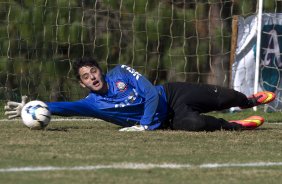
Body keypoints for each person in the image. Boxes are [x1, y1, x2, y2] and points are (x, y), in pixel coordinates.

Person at [4, 57, 276, 131]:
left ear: (101, 71)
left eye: (94, 72)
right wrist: (33, 108)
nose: (92, 78)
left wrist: (146, 125)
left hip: (172, 94)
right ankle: (233, 126)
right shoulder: (93, 104)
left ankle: (247, 101)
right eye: (86, 77)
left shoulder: (121, 72)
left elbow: (148, 91)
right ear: (83, 84)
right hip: (170, 120)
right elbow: (66, 107)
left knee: (222, 97)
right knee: (196, 124)